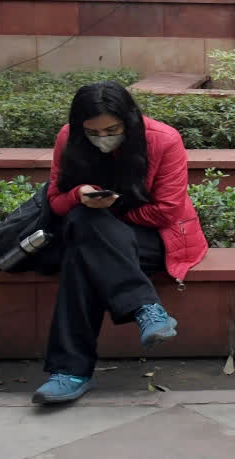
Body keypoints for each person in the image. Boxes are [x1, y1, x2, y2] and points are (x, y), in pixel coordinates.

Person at [34, 81, 208, 404]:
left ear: (129, 119)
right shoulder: (67, 138)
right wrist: (78, 196)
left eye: (112, 129)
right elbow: (56, 201)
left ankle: (70, 372)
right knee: (84, 226)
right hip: (95, 236)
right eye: (92, 132)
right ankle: (145, 307)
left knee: (87, 238)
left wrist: (111, 211)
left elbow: (167, 211)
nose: (103, 138)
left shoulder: (164, 140)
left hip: (154, 239)